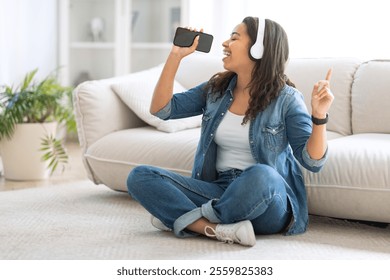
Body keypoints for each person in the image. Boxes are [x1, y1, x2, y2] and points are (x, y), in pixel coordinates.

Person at [127, 17, 334, 247]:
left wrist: (319, 116)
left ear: (259, 49)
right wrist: (176, 56)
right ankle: (213, 228)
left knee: (261, 175)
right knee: (140, 176)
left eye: (235, 38)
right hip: (219, 190)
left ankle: (184, 218)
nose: (225, 43)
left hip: (266, 199)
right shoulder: (216, 90)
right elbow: (161, 109)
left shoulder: (286, 99)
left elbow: (312, 161)